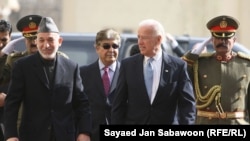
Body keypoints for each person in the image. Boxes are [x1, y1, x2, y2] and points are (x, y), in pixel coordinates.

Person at [4, 17, 92, 141]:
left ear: (60, 41)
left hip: (64, 136)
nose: (46, 45)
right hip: (32, 136)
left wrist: (84, 132)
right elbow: (12, 103)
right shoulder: (23, 66)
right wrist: (11, 135)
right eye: (42, 40)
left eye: (51, 40)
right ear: (37, 41)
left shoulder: (71, 67)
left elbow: (82, 103)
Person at [111, 19, 196, 125]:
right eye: (138, 37)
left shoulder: (177, 66)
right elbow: (119, 104)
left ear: (159, 39)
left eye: (144, 38)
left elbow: (187, 105)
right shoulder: (127, 65)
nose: (139, 42)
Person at [182, 15, 250, 125]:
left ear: (234, 40)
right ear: (211, 40)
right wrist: (194, 54)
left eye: (227, 37)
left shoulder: (246, 65)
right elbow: (178, 72)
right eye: (218, 37)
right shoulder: (199, 63)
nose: (222, 41)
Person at [80, 28, 121, 141]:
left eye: (115, 46)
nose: (111, 50)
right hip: (91, 135)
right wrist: (82, 132)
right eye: (106, 46)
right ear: (97, 48)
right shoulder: (83, 73)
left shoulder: (127, 73)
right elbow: (78, 107)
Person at [0, 19, 12, 141]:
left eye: (4, 40)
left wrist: (7, 99)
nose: (0, 44)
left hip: (8, 127)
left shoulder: (18, 62)